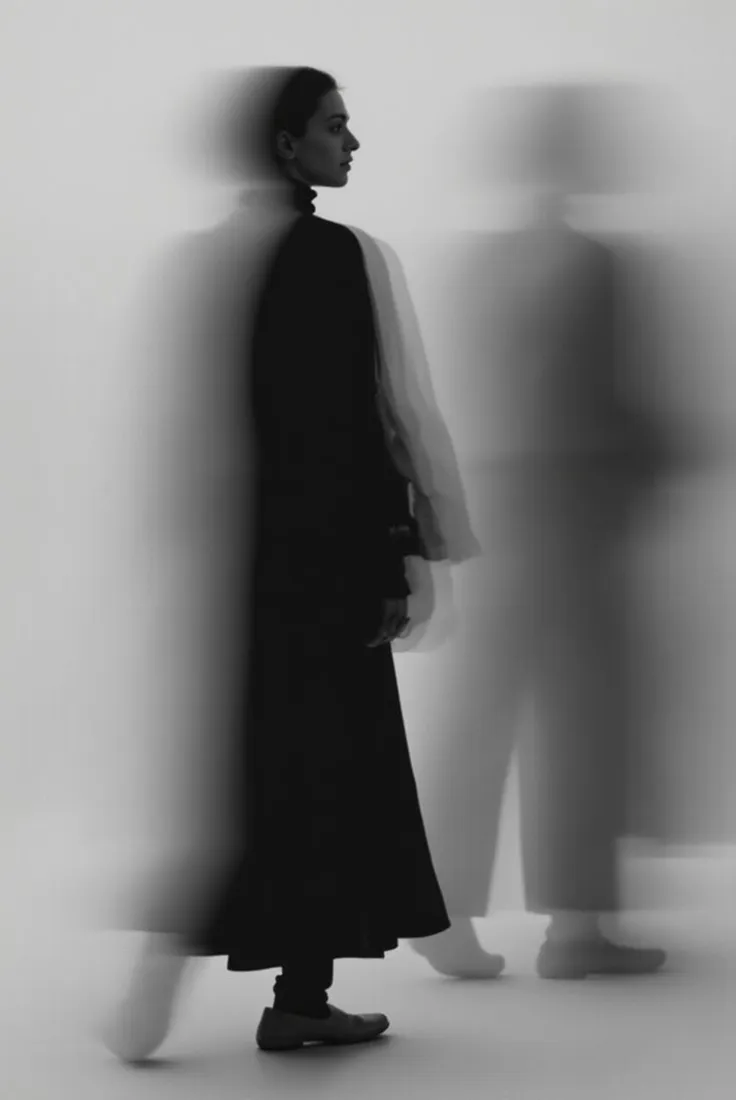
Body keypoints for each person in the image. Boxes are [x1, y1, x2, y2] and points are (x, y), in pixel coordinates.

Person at [103, 65, 478, 1060]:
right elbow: (379, 413)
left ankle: (265, 992)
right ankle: (288, 995)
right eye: (334, 125)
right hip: (325, 561)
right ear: (286, 142)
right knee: (325, 773)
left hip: (244, 565)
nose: (351, 142)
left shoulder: (211, 257)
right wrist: (414, 545)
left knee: (254, 772)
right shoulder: (342, 254)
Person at [409, 82, 675, 981]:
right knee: (581, 717)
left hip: (491, 503)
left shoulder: (479, 264)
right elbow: (612, 396)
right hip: (573, 506)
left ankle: (441, 910)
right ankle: (576, 929)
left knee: (480, 710)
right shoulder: (595, 263)